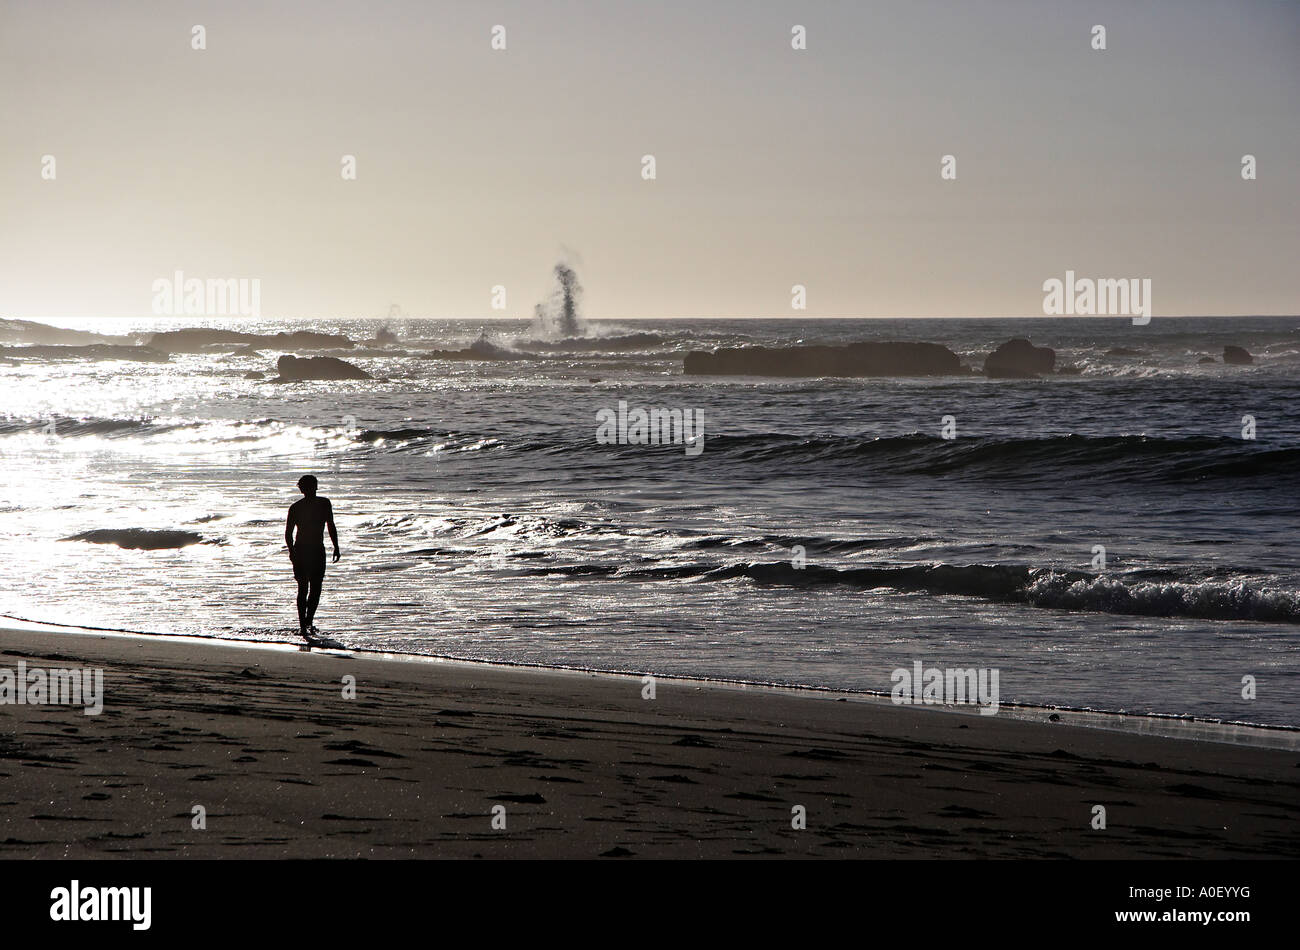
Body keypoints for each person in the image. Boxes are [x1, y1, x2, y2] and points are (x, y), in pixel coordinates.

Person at [285, 475, 339, 638]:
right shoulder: (298, 507)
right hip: (305, 550)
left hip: (312, 550)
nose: (307, 489)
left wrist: (336, 546)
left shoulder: (322, 504)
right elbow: (288, 533)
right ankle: (305, 623)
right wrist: (292, 552)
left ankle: (307, 622)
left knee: (313, 588)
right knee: (307, 588)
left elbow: (331, 525)